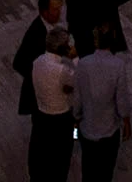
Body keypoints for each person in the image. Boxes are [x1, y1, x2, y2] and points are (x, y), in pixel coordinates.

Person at [73, 20, 132, 181]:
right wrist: (126, 120)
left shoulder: (83, 64)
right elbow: (121, 100)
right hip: (109, 130)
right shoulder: (118, 65)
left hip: (87, 128)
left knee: (88, 169)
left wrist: (76, 119)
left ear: (95, 40)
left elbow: (77, 98)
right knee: (106, 172)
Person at [31, 27, 78, 182]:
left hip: (41, 117)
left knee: (40, 158)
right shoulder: (62, 70)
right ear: (63, 47)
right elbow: (76, 82)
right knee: (61, 160)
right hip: (61, 120)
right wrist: (74, 59)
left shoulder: (37, 63)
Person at [16, 0, 65, 117]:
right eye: (55, 9)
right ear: (44, 11)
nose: (59, 13)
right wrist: (40, 78)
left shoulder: (51, 27)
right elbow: (18, 62)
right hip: (41, 98)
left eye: (60, 8)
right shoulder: (36, 33)